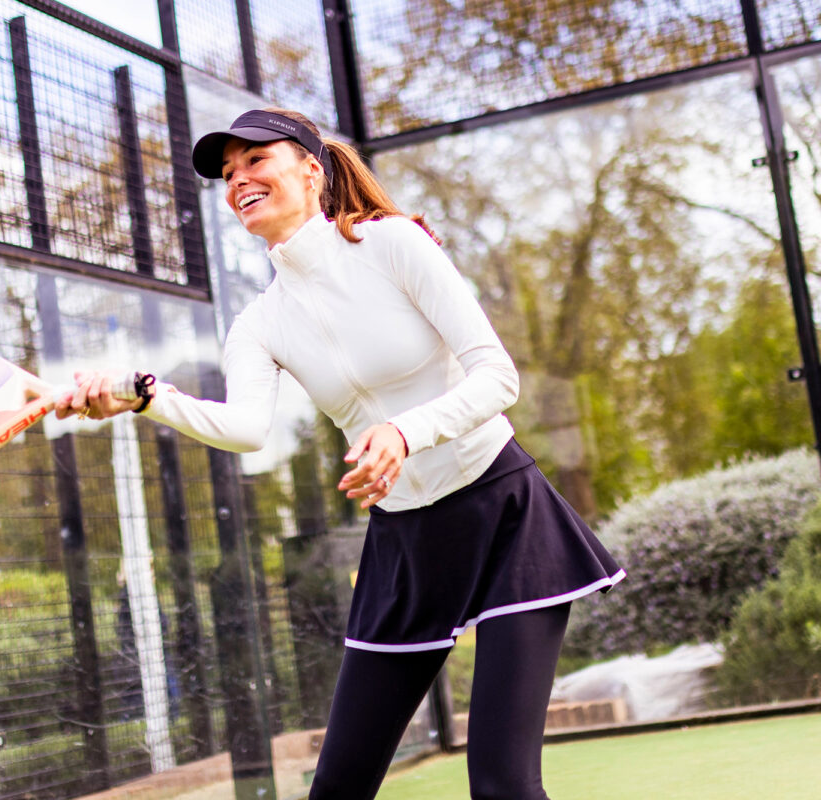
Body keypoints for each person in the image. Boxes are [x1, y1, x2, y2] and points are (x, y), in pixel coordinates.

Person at [56, 107, 625, 799]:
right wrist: (147, 398)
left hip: (503, 513)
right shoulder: (260, 322)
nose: (239, 181)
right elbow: (245, 428)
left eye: (254, 161)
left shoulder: (397, 245)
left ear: (310, 168)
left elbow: (497, 377)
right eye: (228, 175)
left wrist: (405, 431)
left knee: (503, 784)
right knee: (337, 788)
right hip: (405, 541)